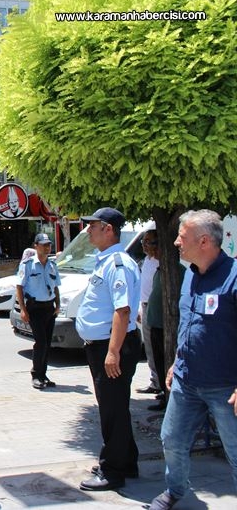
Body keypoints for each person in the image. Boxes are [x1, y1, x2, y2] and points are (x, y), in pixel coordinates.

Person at [148, 210, 237, 510]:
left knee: (236, 452)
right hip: (187, 382)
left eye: (181, 237)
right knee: (171, 440)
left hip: (226, 388)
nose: (175, 243)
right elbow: (189, 326)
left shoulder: (233, 277)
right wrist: (176, 362)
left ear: (203, 241)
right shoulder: (189, 277)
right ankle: (175, 490)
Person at [75, 207, 141, 491]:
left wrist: (113, 352)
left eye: (93, 226)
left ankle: (112, 471)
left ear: (109, 229)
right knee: (115, 407)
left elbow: (122, 310)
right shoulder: (105, 261)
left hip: (111, 346)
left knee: (112, 410)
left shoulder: (118, 264)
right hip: (103, 345)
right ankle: (126, 460)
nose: (88, 230)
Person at [144, 235, 184, 412]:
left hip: (165, 326)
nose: (150, 248)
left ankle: (169, 397)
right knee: (158, 360)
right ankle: (162, 392)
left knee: (166, 361)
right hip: (154, 323)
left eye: (153, 244)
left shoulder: (179, 271)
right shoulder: (158, 269)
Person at [15, 233, 61, 390]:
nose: (47, 247)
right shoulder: (28, 265)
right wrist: (23, 309)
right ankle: (36, 374)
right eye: (43, 245)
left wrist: (58, 305)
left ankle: (43, 374)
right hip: (35, 308)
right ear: (36, 246)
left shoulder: (52, 265)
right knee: (40, 342)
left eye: (49, 244)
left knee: (47, 343)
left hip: (49, 307)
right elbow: (19, 287)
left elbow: (55, 287)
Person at [136, 229, 162, 396]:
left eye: (149, 242)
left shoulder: (161, 262)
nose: (145, 246)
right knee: (150, 348)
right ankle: (155, 381)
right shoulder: (147, 260)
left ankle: (160, 383)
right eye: (143, 242)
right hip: (145, 306)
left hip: (156, 309)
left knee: (157, 347)